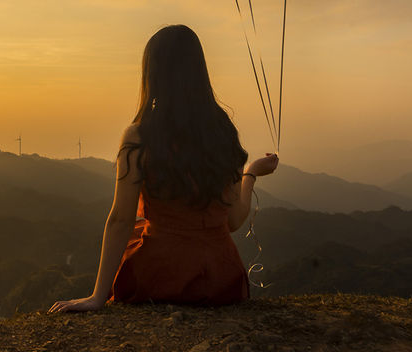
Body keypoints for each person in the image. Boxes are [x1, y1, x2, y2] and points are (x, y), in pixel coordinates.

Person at [49, 24, 279, 313]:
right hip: (221, 279)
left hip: (159, 273)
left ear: (152, 75)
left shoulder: (140, 136)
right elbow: (232, 221)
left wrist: (97, 296)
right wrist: (251, 173)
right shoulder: (224, 132)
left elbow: (121, 219)